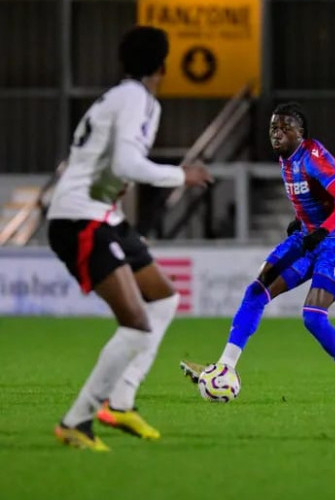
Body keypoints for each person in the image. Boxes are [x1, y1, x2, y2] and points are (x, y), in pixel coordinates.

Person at [47, 26, 212, 451]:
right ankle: (77, 420)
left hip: (104, 215)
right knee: (137, 325)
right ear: (163, 64)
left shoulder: (124, 98)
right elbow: (127, 162)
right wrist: (182, 174)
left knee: (163, 297)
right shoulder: (135, 98)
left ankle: (121, 403)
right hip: (80, 218)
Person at [180, 102, 335, 402]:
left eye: (285, 128)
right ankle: (225, 367)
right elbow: (313, 198)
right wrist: (303, 221)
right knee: (256, 291)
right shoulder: (286, 159)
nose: (277, 133)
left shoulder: (312, 155)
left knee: (313, 316)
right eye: (273, 128)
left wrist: (321, 229)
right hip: (307, 237)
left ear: (301, 133)